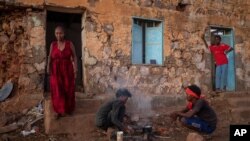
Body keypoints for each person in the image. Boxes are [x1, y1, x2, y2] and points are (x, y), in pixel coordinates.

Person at [47, 26, 78, 118]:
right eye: (56, 33)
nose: (58, 35)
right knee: (57, 89)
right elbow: (49, 56)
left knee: (68, 88)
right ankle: (58, 110)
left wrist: (75, 68)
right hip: (55, 69)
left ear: (64, 34)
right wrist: (48, 67)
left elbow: (75, 56)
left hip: (67, 69)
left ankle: (68, 109)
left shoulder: (69, 44)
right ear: (55, 34)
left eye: (60, 33)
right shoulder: (53, 45)